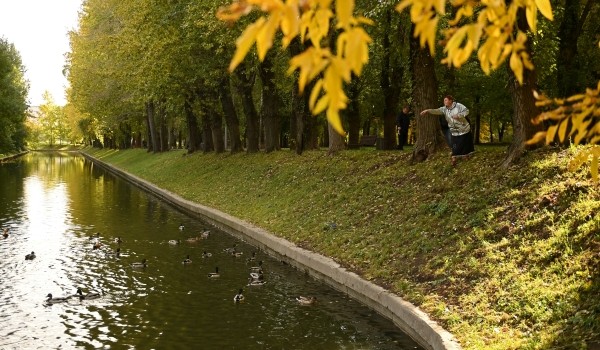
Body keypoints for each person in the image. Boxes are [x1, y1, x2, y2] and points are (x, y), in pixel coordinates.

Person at [420, 95, 474, 166]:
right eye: (444, 100)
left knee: (465, 143)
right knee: (454, 145)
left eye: (446, 100)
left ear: (451, 100)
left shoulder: (458, 106)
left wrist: (459, 115)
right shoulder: (444, 109)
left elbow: (466, 111)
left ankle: (465, 156)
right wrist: (427, 111)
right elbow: (436, 111)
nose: (444, 102)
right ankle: (454, 158)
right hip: (454, 130)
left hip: (463, 128)